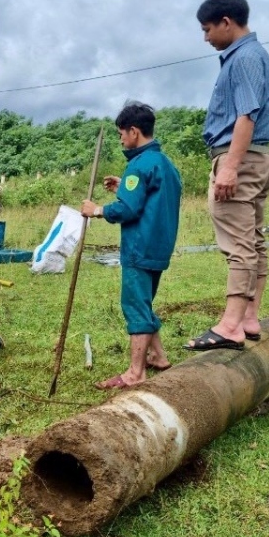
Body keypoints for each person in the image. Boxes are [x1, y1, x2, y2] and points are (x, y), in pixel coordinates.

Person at [186, 0, 269, 351]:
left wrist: (229, 168)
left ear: (227, 22)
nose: (206, 37)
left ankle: (230, 325)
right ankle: (249, 317)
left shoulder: (242, 58)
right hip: (258, 156)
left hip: (239, 155)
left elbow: (246, 114)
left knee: (239, 243)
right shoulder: (257, 55)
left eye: (208, 29)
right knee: (254, 239)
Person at [80, 102, 182, 389]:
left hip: (139, 247)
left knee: (135, 306)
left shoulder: (138, 165)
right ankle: (158, 357)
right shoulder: (165, 164)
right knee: (144, 302)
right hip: (159, 248)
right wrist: (125, 183)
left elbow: (128, 210)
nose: (121, 139)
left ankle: (135, 373)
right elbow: (151, 196)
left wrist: (97, 209)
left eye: (121, 134)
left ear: (134, 131)